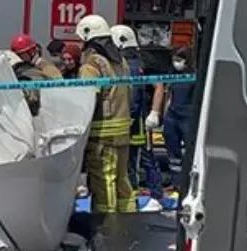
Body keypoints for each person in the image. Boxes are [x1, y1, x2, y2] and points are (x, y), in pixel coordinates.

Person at [75, 15, 136, 214]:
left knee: (103, 185)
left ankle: (106, 230)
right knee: (122, 183)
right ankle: (129, 224)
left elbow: (86, 100)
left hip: (102, 135)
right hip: (122, 133)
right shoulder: (121, 62)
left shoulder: (91, 66)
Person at [111, 24, 158, 193]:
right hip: (130, 118)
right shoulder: (128, 63)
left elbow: (143, 91)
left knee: (139, 158)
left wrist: (153, 112)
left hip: (136, 120)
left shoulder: (134, 65)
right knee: (134, 159)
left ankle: (150, 192)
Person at [147, 47, 195, 192]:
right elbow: (168, 96)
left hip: (188, 118)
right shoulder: (172, 75)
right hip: (172, 117)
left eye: (179, 59)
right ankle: (176, 182)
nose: (176, 63)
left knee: (189, 151)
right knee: (172, 152)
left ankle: (188, 184)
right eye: (175, 59)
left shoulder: (194, 77)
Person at [9, 33, 62, 115]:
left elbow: (61, 90)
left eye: (20, 55)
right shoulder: (17, 71)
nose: (18, 58)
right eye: (16, 55)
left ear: (31, 52)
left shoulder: (47, 69)